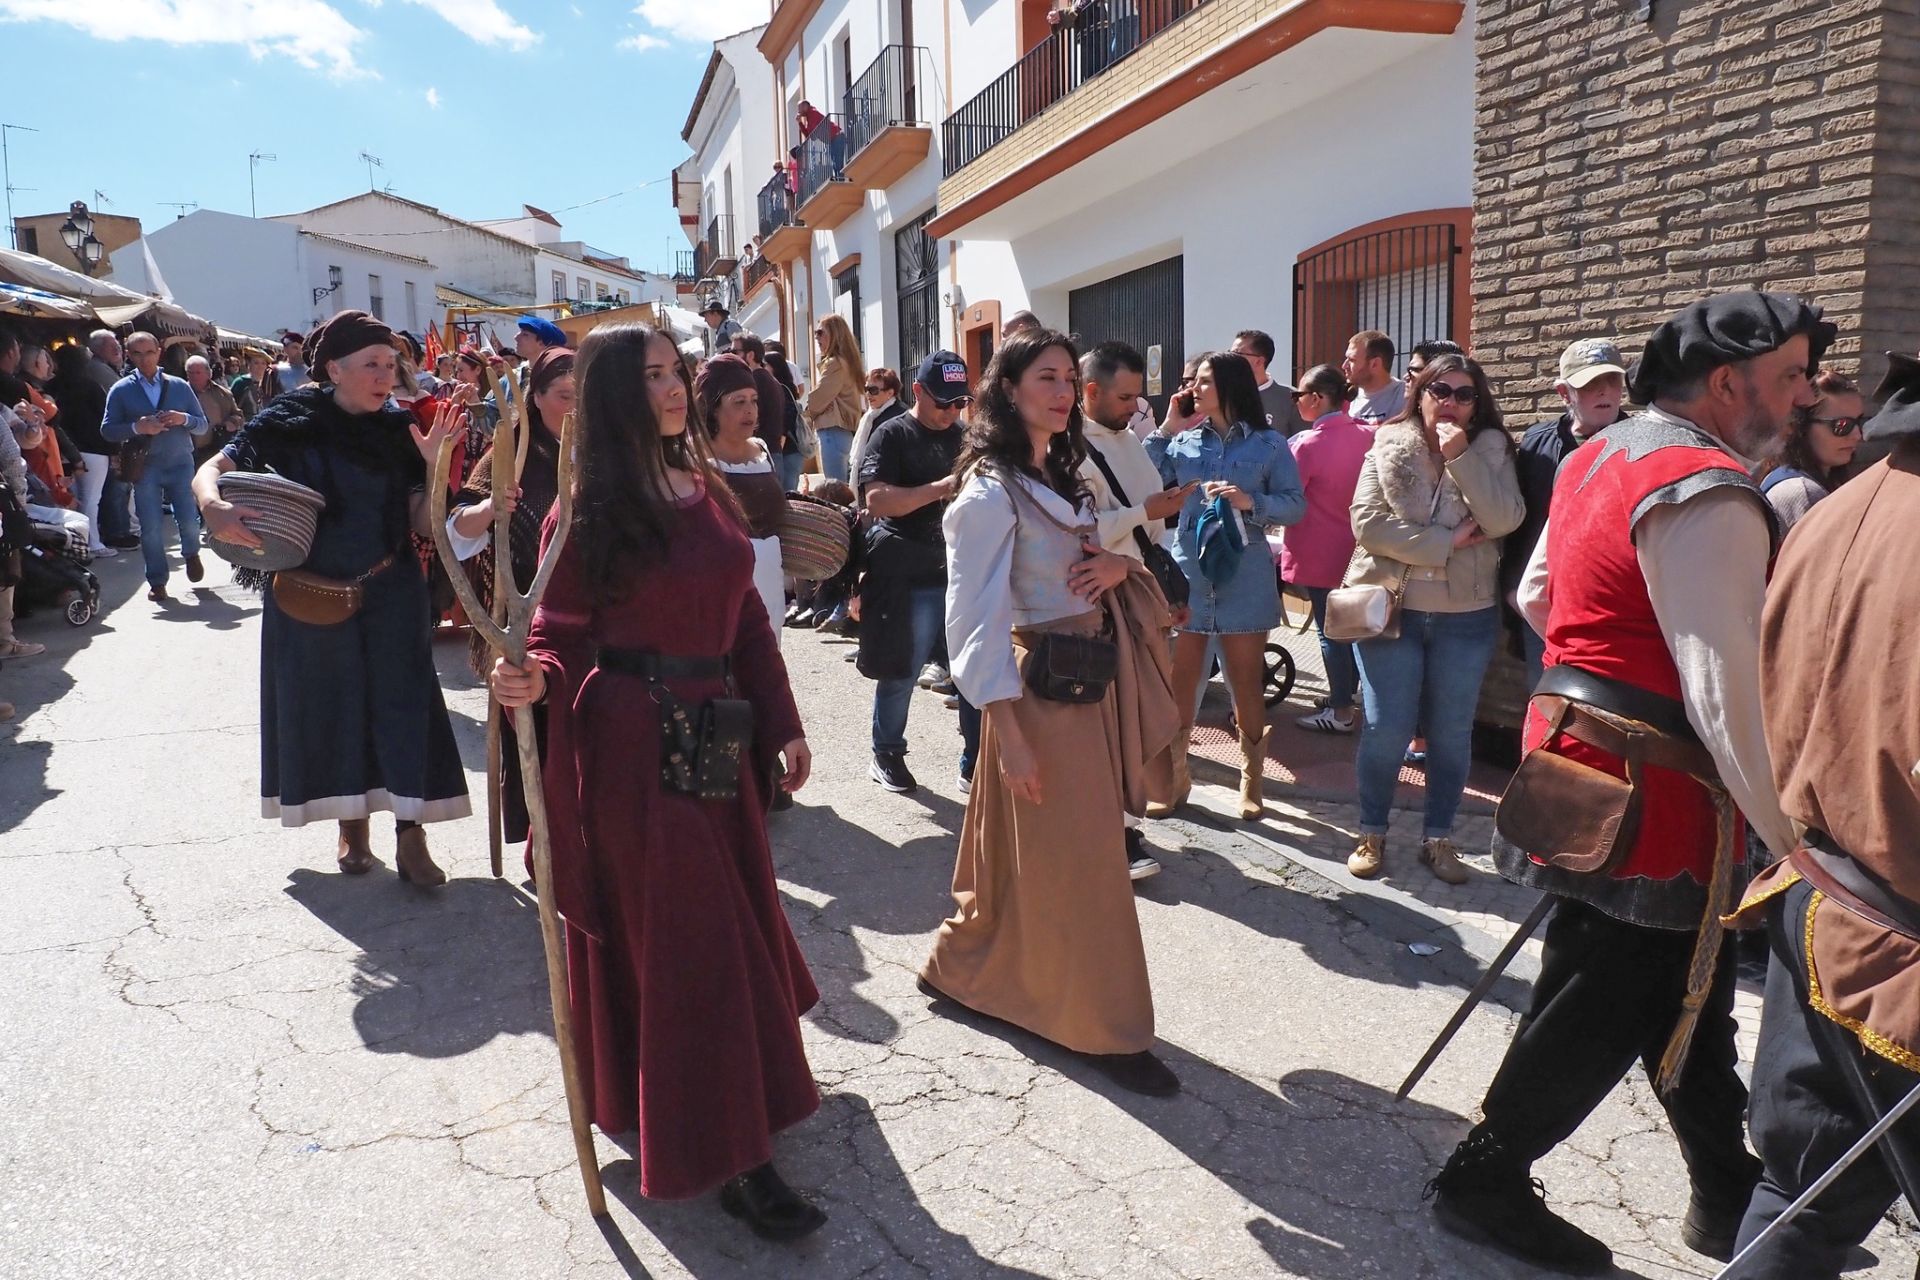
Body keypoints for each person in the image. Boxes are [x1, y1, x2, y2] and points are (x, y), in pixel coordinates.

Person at [1427, 292, 1826, 1275]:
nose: (1803, 395)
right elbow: (1722, 685)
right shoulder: (1706, 485)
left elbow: (1538, 592)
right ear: (1729, 382)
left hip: (1580, 750)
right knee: (1612, 988)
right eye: (1790, 376)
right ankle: (1484, 1175)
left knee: (1666, 990)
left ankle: (1723, 1182)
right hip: (1655, 791)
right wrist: (1790, 839)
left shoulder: (1601, 450)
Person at [487, 322, 825, 1238]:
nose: (674, 389)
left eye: (677, 372)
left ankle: (731, 1107)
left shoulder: (702, 481)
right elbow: (559, 633)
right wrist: (534, 679)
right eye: (651, 377)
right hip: (635, 746)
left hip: (716, 734)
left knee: (727, 926)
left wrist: (783, 719)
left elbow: (745, 615)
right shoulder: (586, 505)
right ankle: (731, 1155)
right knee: (693, 947)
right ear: (608, 394)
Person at [922, 327, 1182, 1096]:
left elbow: (1094, 546)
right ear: (1006, 390)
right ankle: (1104, 1028)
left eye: (1070, 378)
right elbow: (971, 623)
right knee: (1086, 866)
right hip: (1042, 696)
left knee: (1039, 860)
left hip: (1089, 683)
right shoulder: (984, 494)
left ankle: (967, 970)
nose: (1064, 390)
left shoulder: (1062, 474)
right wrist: (1009, 736)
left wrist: (1116, 559)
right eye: (1046, 377)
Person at [1725, 349, 1920, 1278]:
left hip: (1820, 893)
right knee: (1803, 1204)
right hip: (1897, 928)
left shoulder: (1846, 502)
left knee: (1802, 1202)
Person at [193, 310, 471, 885]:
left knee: (401, 708)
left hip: (391, 587)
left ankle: (410, 835)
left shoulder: (401, 430)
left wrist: (435, 467)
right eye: (371, 364)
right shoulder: (288, 418)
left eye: (390, 365)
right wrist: (213, 508)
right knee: (332, 707)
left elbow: (422, 519)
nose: (384, 375)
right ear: (334, 369)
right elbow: (211, 469)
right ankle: (351, 823)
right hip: (309, 593)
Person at [1344, 354, 1522, 883]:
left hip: (1465, 619)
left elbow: (1504, 519)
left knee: (1450, 733)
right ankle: (1371, 830)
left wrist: (1461, 457)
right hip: (1390, 610)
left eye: (1464, 394)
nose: (1450, 401)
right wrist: (1447, 542)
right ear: (1419, 392)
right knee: (1385, 729)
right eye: (1440, 389)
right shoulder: (1387, 444)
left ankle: (1438, 838)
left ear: (1477, 404)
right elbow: (1368, 526)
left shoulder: (1489, 450)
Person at [1146, 351, 1305, 821]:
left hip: (1245, 572)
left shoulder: (1271, 444)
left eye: (1205, 381)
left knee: (1245, 682)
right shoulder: (1185, 442)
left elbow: (1295, 506)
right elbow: (1141, 479)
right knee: (1181, 678)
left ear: (1231, 386)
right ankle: (1175, 777)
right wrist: (1167, 429)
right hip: (1189, 572)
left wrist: (1248, 500)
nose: (1195, 387)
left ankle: (1251, 781)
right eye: (1194, 380)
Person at [446, 346, 575, 855]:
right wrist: (491, 506)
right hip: (523, 618)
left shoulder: (606, 448)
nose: (575, 406)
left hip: (590, 614)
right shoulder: (511, 449)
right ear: (536, 397)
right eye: (565, 395)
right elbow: (458, 527)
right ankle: (537, 845)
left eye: (582, 394)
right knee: (532, 730)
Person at [1076, 340, 1194, 879]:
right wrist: (1144, 510)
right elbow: (1075, 532)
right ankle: (1119, 836)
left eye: (1138, 398)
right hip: (1098, 601)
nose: (1133, 408)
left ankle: (1125, 825)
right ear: (1091, 391)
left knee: (1142, 716)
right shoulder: (1069, 448)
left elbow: (1149, 532)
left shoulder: (1134, 440)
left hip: (1142, 594)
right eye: (1124, 398)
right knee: (1110, 724)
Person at [858, 351, 980, 793]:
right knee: (902, 669)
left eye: (959, 403)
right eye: (942, 402)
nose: (951, 412)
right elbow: (877, 501)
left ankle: (975, 760)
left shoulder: (963, 436)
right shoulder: (891, 434)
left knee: (971, 671)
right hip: (908, 572)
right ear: (917, 392)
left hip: (959, 569)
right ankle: (886, 751)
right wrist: (942, 489)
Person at [1503, 338, 1629, 685]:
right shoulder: (1537, 443)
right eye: (1590, 384)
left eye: (1612, 380)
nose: (1604, 391)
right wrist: (1513, 590)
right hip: (1541, 602)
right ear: (1564, 392)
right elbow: (1521, 525)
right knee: (1546, 701)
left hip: (1609, 609)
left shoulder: (1639, 444)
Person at [1281, 364, 1374, 735]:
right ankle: (1344, 695)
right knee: (1352, 630)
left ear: (1316, 399)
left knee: (1331, 632)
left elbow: (1289, 499)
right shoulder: (1370, 435)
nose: (1296, 402)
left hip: (1320, 553)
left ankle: (1340, 710)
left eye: (1298, 395)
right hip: (1362, 551)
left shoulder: (1307, 445)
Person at [101, 331, 210, 602]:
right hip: (145, 465)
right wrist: (138, 426)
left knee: (187, 518)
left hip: (179, 461)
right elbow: (107, 430)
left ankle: (191, 551)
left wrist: (182, 418)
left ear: (158, 352)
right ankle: (157, 581)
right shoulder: (121, 389)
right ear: (129, 355)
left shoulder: (179, 386)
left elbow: (202, 423)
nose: (144, 358)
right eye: (137, 353)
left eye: (149, 352)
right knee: (149, 527)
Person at [694, 354, 786, 648]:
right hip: (721, 584)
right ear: (714, 408)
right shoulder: (693, 458)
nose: (750, 411)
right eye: (738, 402)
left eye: (754, 401)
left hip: (769, 578)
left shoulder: (761, 451)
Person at [1758, 366, 1863, 534]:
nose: (1857, 435)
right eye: (1842, 425)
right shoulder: (1802, 493)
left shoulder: (1786, 475)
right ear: (1801, 427)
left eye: (1859, 422)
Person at [45, 343, 115, 558]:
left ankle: (73, 546)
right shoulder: (91, 386)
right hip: (94, 450)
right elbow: (105, 418)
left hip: (63, 450)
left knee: (69, 499)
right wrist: (114, 450)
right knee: (91, 499)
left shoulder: (50, 388)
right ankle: (92, 543)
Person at [804, 314, 865, 484]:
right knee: (843, 489)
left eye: (820, 332)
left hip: (833, 432)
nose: (816, 337)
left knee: (836, 492)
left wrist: (808, 413)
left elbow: (817, 401)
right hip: (842, 433)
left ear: (835, 334)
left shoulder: (834, 364)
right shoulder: (847, 363)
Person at [1230, 329, 1305, 436]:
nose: (1230, 359)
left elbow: (1301, 442)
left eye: (1236, 354)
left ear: (1259, 361)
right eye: (1229, 353)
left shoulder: (1290, 398)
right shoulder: (1221, 394)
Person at [847, 365, 906, 488]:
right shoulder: (870, 417)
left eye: (873, 390)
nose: (868, 394)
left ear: (890, 393)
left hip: (891, 484)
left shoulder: (899, 416)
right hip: (871, 480)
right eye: (866, 389)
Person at [186, 355, 244, 465]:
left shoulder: (222, 394)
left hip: (216, 451)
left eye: (198, 373)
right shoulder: (179, 392)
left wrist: (231, 423)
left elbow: (239, 416)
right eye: (190, 373)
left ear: (208, 374)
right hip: (189, 453)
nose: (193, 377)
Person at [1341, 329, 1405, 424]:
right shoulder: (1346, 397)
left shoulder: (1405, 396)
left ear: (1375, 364)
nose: (1344, 366)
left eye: (1352, 360)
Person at [269, 331, 312, 396]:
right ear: (285, 349)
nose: (299, 351)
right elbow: (267, 399)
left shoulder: (312, 370)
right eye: (295, 348)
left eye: (302, 348)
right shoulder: (275, 370)